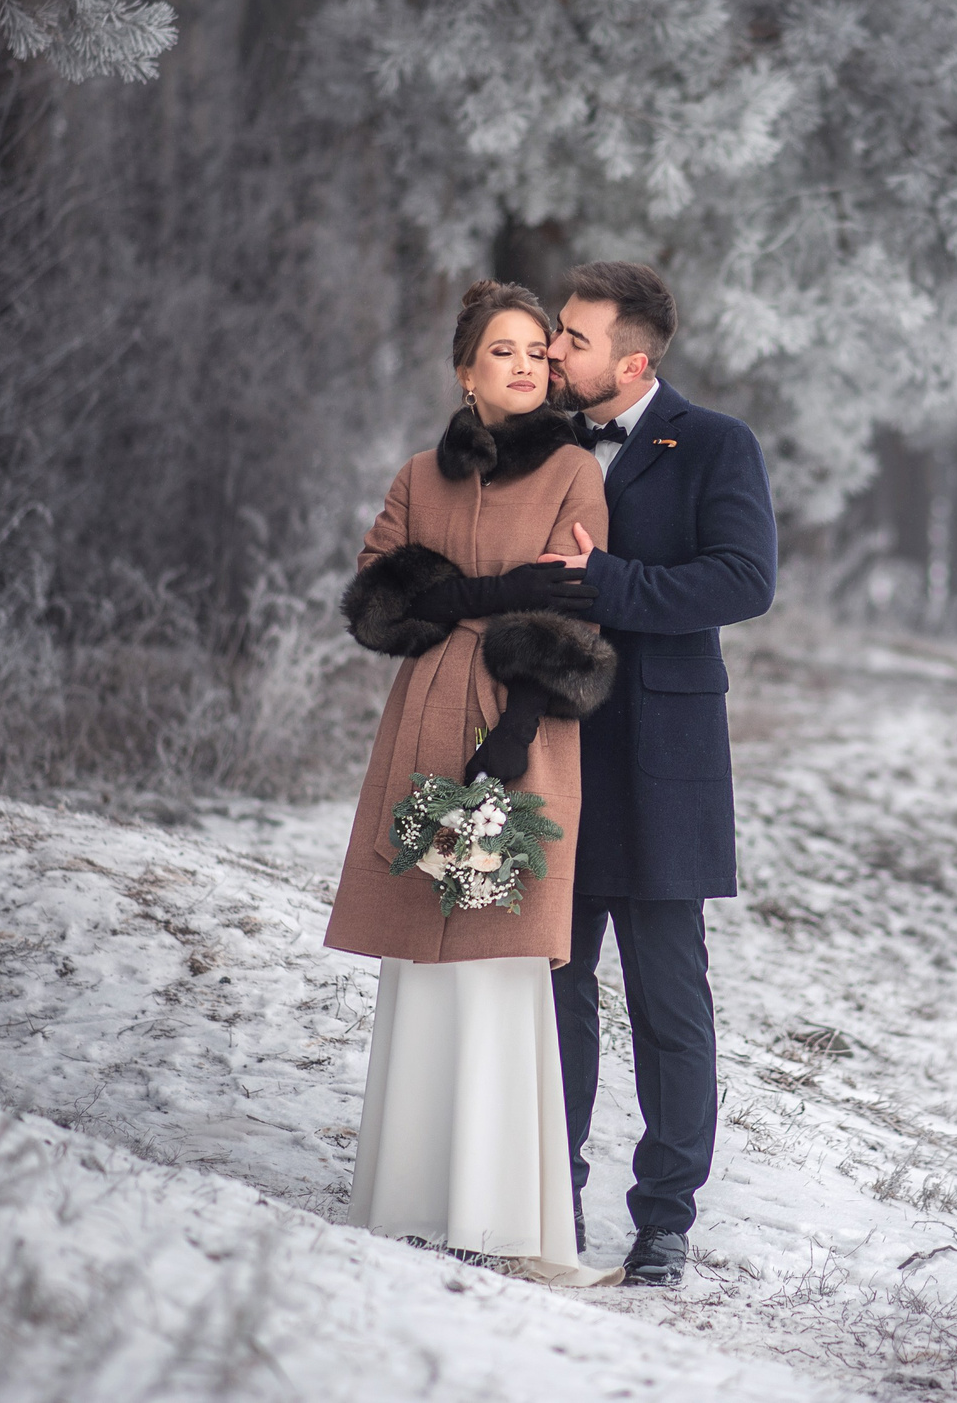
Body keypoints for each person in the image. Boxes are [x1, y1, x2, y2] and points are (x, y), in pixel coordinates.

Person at [322, 279, 622, 1286]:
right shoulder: (419, 475)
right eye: (504, 350)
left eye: (539, 350)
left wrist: (520, 729)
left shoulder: (575, 471)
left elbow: (576, 609)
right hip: (425, 723)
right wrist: (493, 590)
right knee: (423, 953)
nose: (527, 365)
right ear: (465, 371)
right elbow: (376, 604)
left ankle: (506, 1214)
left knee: (500, 955)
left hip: (521, 730)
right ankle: (410, 1196)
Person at [541, 261, 777, 1288]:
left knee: (668, 999)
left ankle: (665, 1220)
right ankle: (547, 1193)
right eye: (557, 331)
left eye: (575, 337)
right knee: (551, 986)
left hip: (664, 757)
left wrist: (608, 583)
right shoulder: (543, 440)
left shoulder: (716, 442)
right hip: (552, 746)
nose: (554, 349)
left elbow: (745, 578)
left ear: (632, 361)